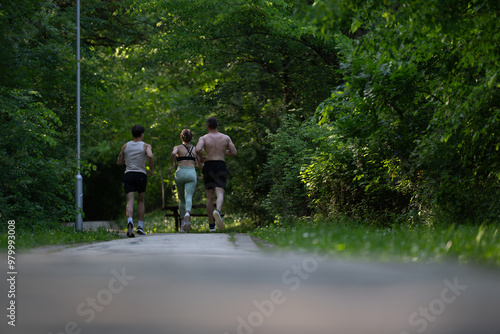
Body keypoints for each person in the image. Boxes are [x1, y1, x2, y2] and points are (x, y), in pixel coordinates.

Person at [195, 117, 237, 232]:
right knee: (220, 192)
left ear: (207, 126)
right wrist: (224, 152)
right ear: (217, 125)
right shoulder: (225, 138)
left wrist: (200, 159)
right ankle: (217, 211)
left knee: (209, 196)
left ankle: (211, 225)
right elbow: (234, 152)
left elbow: (198, 149)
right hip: (220, 165)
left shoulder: (204, 138)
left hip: (208, 166)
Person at [117, 125, 154, 238]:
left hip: (129, 174)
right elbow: (150, 156)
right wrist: (151, 169)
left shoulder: (125, 146)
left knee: (130, 201)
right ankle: (140, 227)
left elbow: (119, 162)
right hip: (141, 175)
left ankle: (130, 221)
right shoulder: (146, 146)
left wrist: (128, 160)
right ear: (142, 134)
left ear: (132, 134)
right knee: (141, 200)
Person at [169, 129, 203, 233]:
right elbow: (200, 165)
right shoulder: (195, 149)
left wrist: (171, 165)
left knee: (181, 199)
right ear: (191, 138)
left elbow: (173, 153)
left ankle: (183, 223)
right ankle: (188, 213)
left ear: (181, 138)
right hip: (191, 173)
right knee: (188, 197)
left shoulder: (177, 147)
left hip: (180, 173)